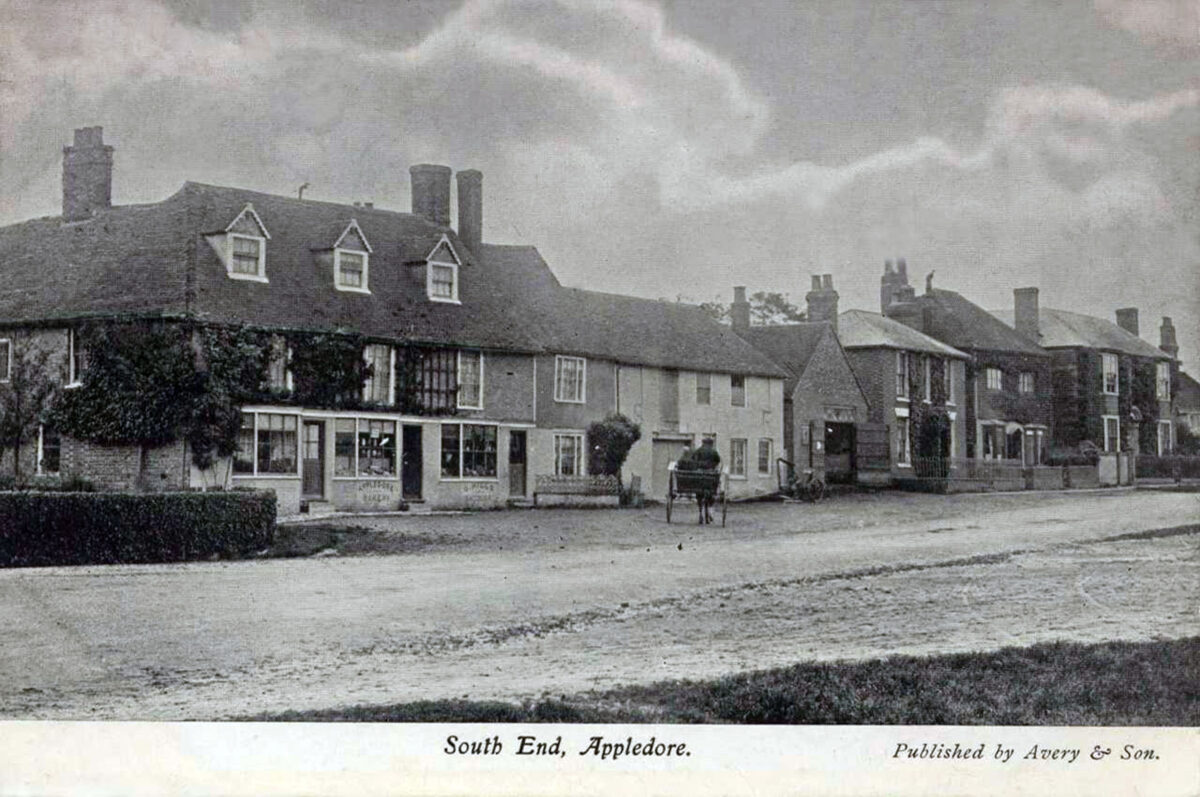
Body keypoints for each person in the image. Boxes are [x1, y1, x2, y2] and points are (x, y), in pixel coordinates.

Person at [692, 438, 721, 524]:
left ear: (703, 443)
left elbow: (693, 459)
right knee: (712, 488)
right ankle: (709, 510)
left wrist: (698, 465)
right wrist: (712, 466)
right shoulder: (713, 451)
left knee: (699, 494)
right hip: (710, 473)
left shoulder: (699, 450)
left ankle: (700, 513)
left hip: (700, 473)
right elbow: (718, 460)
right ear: (711, 444)